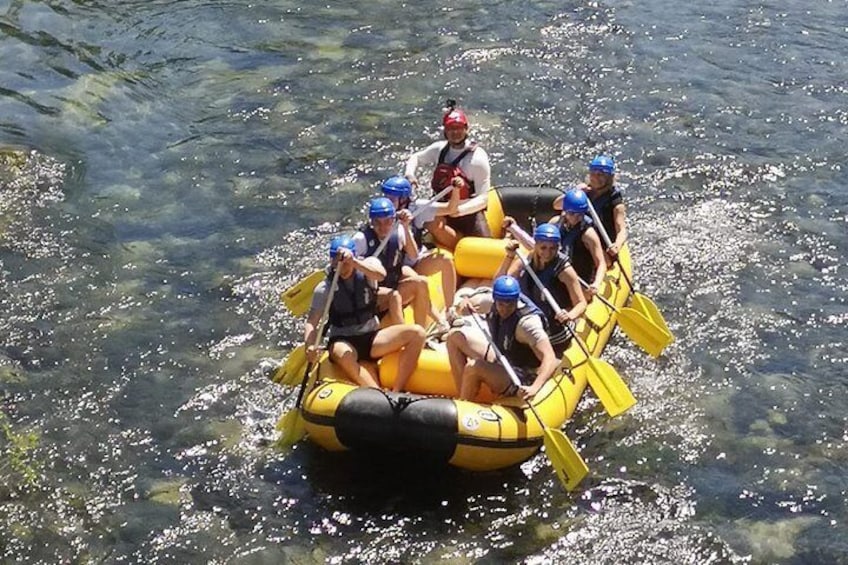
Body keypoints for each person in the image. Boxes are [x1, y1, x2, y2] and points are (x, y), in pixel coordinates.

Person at [304, 235, 425, 392]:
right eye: (336, 262)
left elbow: (380, 275)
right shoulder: (325, 288)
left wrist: (353, 262)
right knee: (341, 353)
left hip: (372, 337)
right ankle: (378, 394)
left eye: (346, 263)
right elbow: (312, 322)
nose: (343, 267)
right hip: (344, 340)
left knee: (418, 333)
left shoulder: (367, 266)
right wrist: (310, 346)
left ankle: (397, 390)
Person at [445, 275, 559, 401]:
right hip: (503, 358)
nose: (505, 309)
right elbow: (464, 304)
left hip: (522, 375)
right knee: (453, 337)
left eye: (510, 304)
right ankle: (465, 394)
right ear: (495, 299)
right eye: (501, 304)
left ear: (516, 300)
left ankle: (463, 404)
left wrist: (535, 387)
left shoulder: (528, 324)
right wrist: (463, 305)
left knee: (473, 367)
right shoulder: (489, 301)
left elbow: (550, 358)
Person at [404, 102, 492, 250]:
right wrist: (410, 174)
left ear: (466, 129)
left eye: (458, 128)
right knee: (430, 222)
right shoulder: (439, 149)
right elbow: (416, 158)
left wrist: (458, 211)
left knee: (486, 248)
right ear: (445, 131)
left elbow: (483, 199)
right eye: (451, 129)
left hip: (467, 213)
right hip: (444, 209)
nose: (455, 132)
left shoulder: (478, 158)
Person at [494, 224, 586, 356]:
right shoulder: (527, 259)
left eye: (553, 248)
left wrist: (569, 315)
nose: (548, 253)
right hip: (530, 325)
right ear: (535, 244)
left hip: (554, 333)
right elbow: (500, 283)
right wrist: (509, 257)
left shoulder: (565, 270)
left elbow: (581, 303)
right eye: (543, 247)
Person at [379, 175, 459, 313]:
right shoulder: (381, 214)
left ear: (404, 200)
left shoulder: (418, 208)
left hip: (416, 258)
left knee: (446, 261)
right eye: (386, 196)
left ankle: (450, 310)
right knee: (418, 282)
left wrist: (456, 189)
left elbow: (451, 209)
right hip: (399, 266)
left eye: (392, 198)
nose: (387, 201)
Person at [352, 197, 430, 327]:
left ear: (393, 220)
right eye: (378, 223)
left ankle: (421, 332)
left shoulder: (398, 231)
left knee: (420, 282)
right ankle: (403, 334)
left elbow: (414, 255)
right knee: (394, 296)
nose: (383, 228)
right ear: (371, 222)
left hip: (391, 284)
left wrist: (405, 227)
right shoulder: (361, 240)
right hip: (372, 297)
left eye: (387, 222)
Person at [554, 155, 627, 258]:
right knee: (557, 219)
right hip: (577, 233)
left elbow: (621, 229)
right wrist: (574, 191)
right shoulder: (583, 191)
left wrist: (617, 245)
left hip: (598, 242)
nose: (596, 178)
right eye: (594, 174)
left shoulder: (615, 202)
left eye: (601, 175)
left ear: (610, 177)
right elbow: (557, 205)